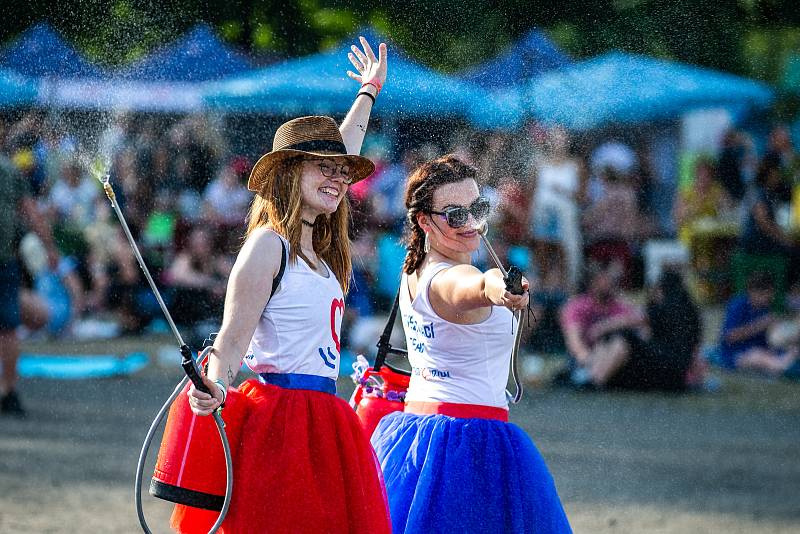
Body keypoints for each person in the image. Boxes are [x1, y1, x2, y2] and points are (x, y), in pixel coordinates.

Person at [178, 37, 391, 533]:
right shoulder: (268, 246)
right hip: (279, 422)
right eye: (324, 168)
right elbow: (231, 341)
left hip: (326, 420)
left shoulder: (320, 247)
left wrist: (369, 93)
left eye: (343, 173)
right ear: (290, 174)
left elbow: (343, 150)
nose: (338, 179)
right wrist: (212, 387)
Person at [370, 155, 572, 533]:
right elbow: (474, 285)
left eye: (477, 208)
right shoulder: (449, 277)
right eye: (455, 214)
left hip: (416, 434)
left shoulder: (415, 268)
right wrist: (499, 287)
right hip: (465, 443)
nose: (471, 222)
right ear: (424, 220)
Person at [0, 154, 60, 417]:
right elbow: (31, 212)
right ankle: (8, 391)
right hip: (4, 259)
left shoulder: (8, 169)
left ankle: (8, 391)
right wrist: (49, 247)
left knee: (8, 327)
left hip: (5, 259)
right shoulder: (7, 169)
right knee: (8, 327)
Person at [559, 262, 647, 389]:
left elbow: (643, 322)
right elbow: (575, 343)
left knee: (620, 344)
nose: (609, 283)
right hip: (586, 359)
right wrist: (589, 360)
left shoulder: (620, 306)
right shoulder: (577, 306)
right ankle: (590, 378)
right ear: (592, 282)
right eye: (604, 279)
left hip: (617, 362)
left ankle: (593, 379)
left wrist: (606, 326)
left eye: (611, 279)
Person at [718, 271, 799, 376]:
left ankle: (785, 363)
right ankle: (783, 366)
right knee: (758, 357)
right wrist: (760, 325)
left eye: (770, 294)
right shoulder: (738, 305)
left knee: (787, 346)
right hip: (736, 352)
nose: (768, 299)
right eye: (764, 295)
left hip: (760, 348)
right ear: (752, 292)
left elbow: (769, 339)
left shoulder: (765, 306)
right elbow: (730, 337)